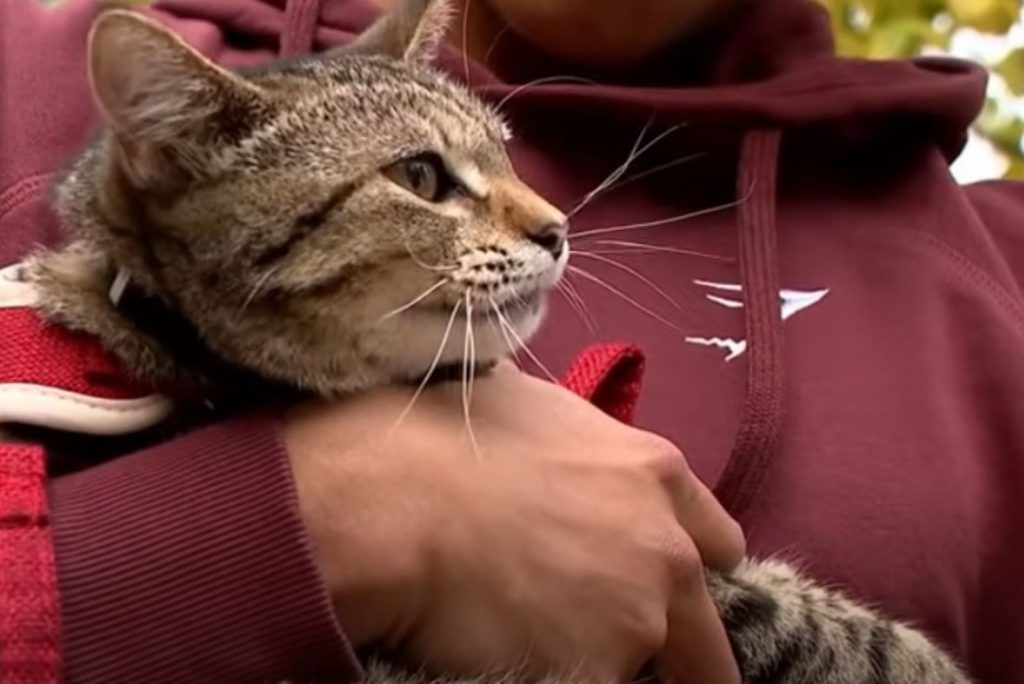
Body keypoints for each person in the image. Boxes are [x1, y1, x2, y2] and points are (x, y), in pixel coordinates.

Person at [0, 1, 1020, 684]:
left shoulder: (996, 263)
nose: (543, 224)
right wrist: (314, 531)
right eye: (433, 181)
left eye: (505, 163)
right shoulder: (22, 60)